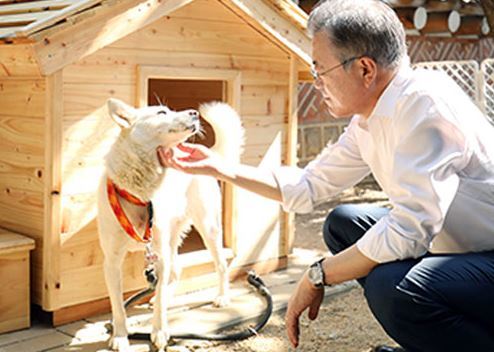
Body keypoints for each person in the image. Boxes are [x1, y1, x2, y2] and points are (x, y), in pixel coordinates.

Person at [157, 0, 494, 350]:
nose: (316, 82)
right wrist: (218, 167)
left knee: (392, 288)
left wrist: (318, 273)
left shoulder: (424, 108)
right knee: (344, 223)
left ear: (365, 69)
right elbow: (307, 187)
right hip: (457, 245)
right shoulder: (371, 118)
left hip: (487, 254)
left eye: (320, 69)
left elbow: (409, 232)